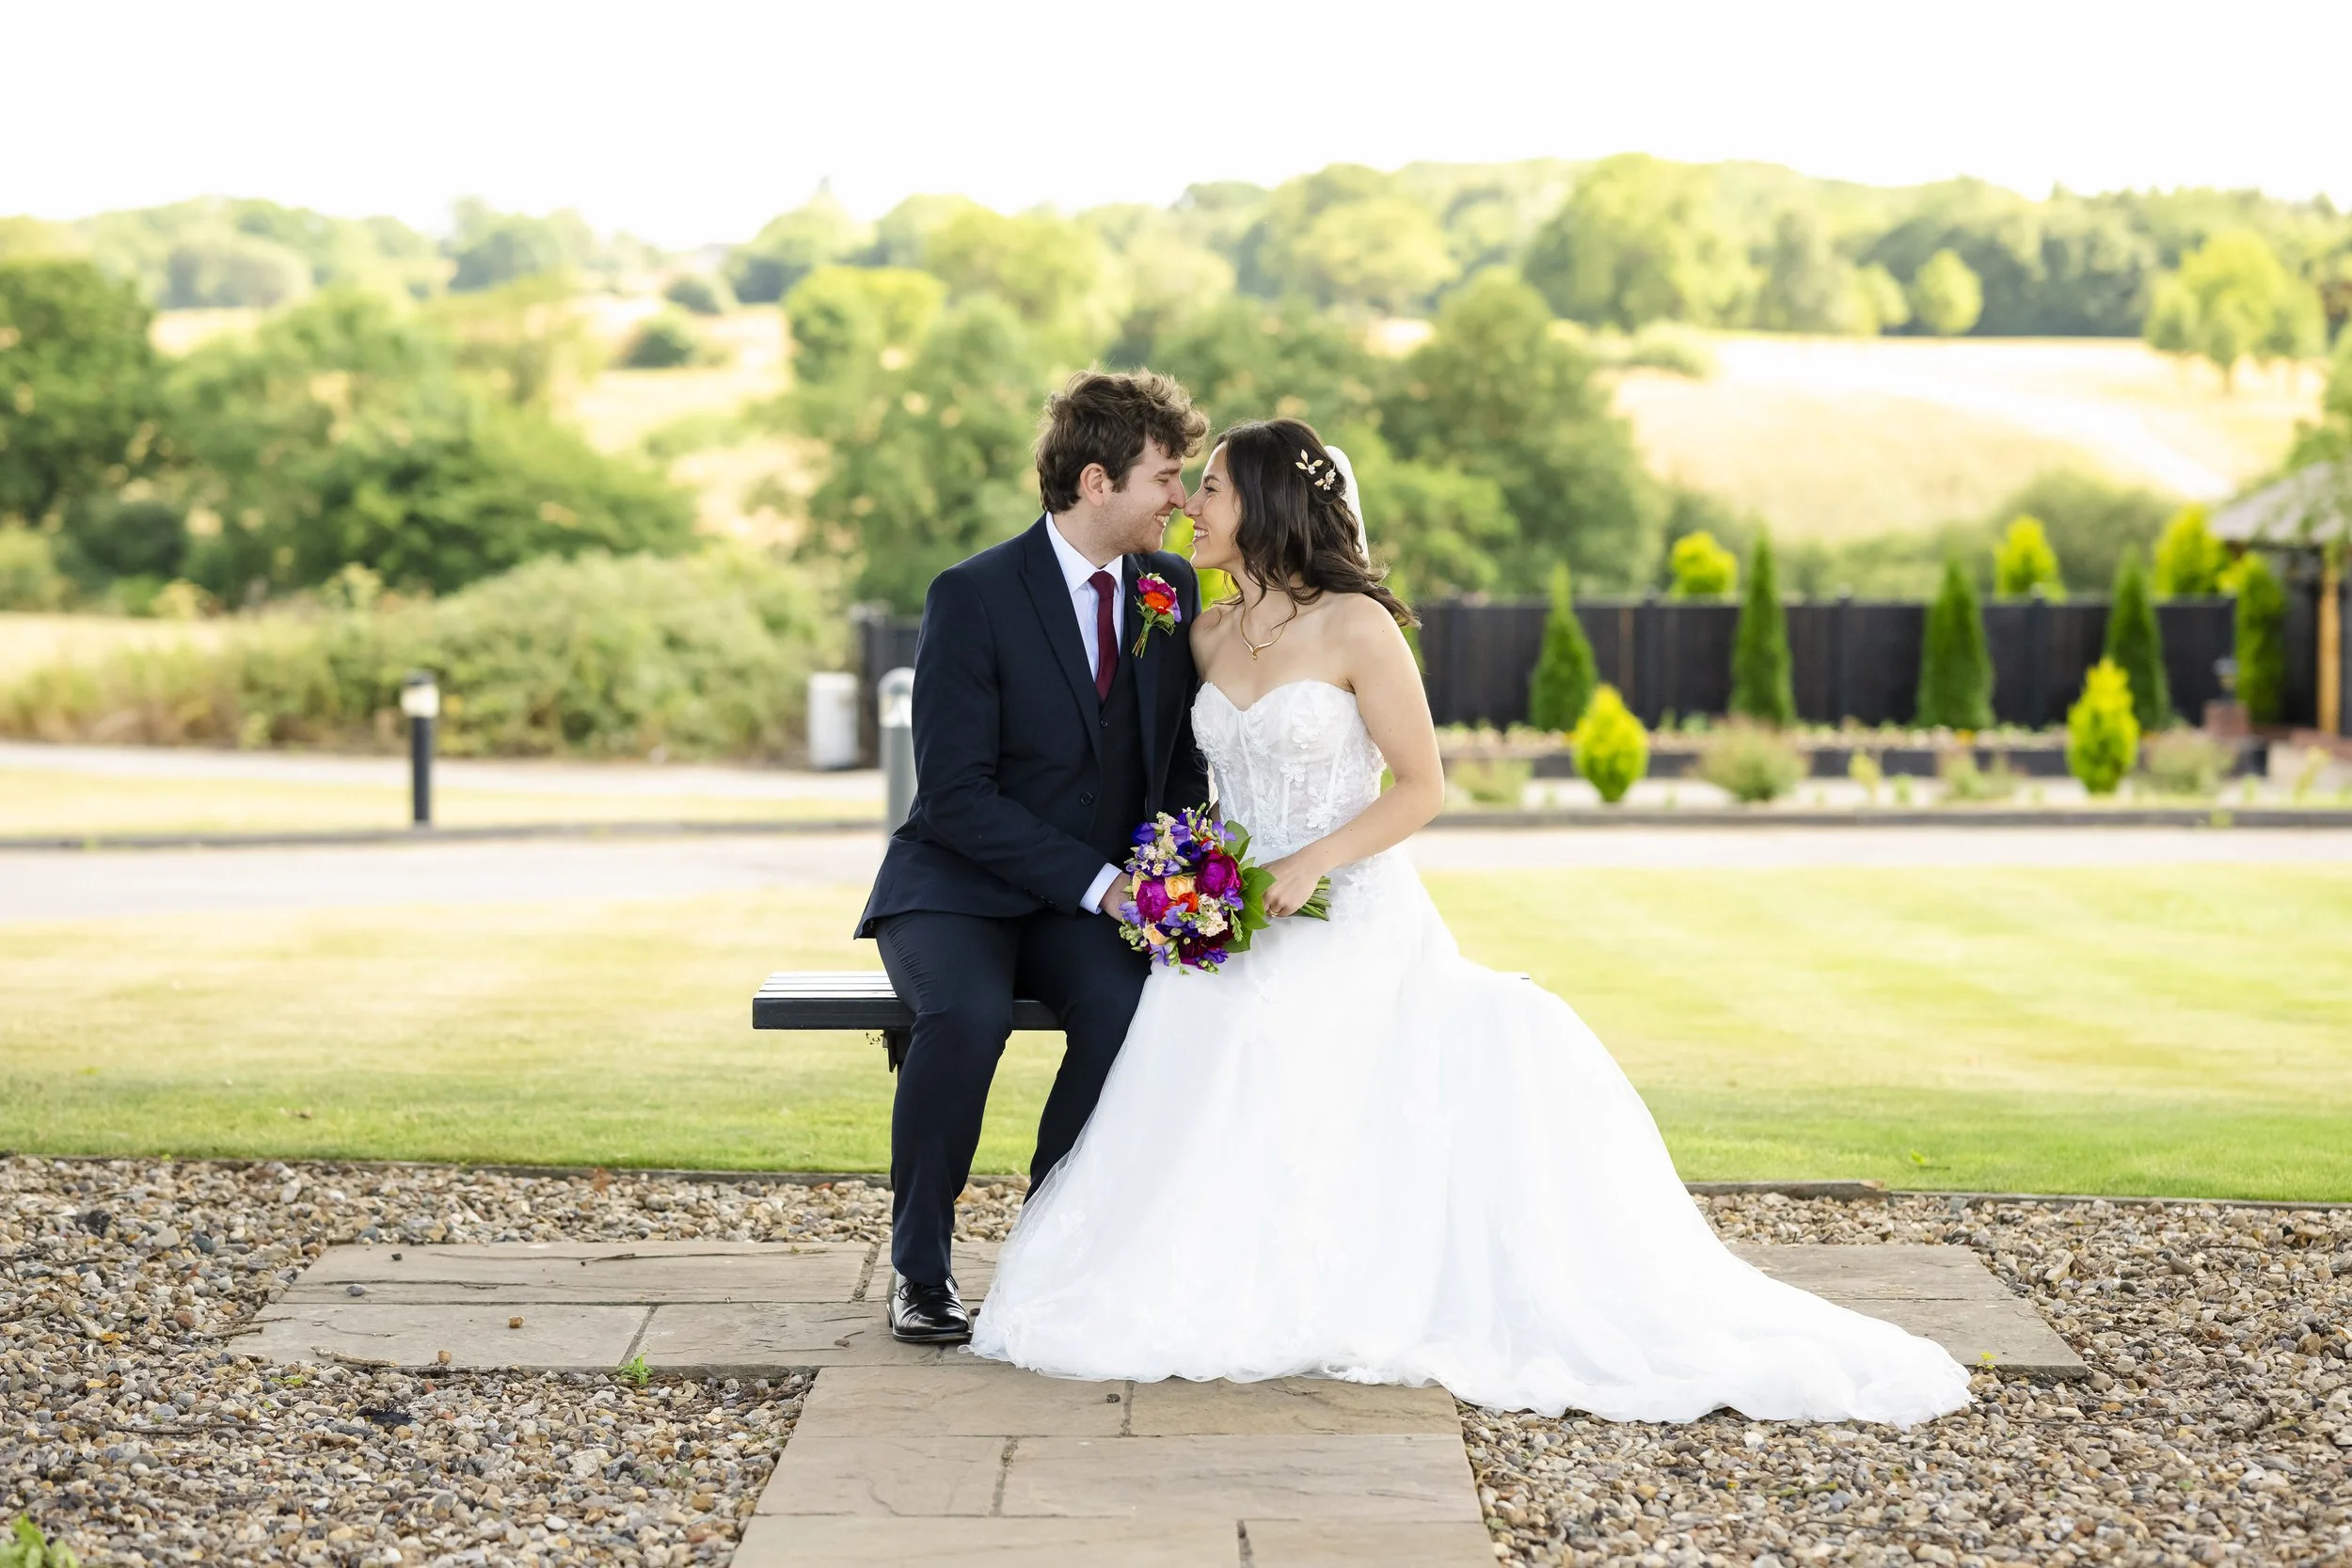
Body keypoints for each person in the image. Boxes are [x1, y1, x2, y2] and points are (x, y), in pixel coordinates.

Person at [968, 418, 1974, 1426]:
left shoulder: (1359, 627)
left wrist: (1308, 861)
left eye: (1215, 488)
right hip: (1230, 922)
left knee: (1299, 1064)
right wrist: (1195, 878)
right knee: (1188, 1077)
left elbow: (1421, 788)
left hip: (1345, 908)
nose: (1191, 503)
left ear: (1269, 504)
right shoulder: (1204, 629)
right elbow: (1189, 775)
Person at [856, 371, 1212, 1344]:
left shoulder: (1168, 587)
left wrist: (1175, 862)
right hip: (956, 887)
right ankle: (919, 1269)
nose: (1179, 501)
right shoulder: (970, 595)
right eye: (1166, 478)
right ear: (1097, 481)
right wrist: (1105, 886)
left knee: (1129, 1007)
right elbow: (957, 794)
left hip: (1084, 901)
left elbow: (1176, 756)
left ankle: (1043, 1250)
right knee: (964, 1015)